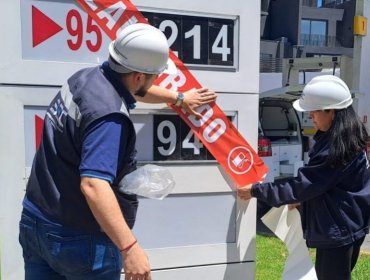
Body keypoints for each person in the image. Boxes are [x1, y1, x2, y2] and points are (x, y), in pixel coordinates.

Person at [19, 23, 216, 280]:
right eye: (154, 74)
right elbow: (93, 185)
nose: (155, 79)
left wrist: (178, 98)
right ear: (137, 75)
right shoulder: (109, 118)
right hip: (78, 239)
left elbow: (136, 88)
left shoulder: (85, 78)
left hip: (36, 221)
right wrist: (130, 248)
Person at [238, 75, 370, 280]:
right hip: (351, 225)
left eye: (314, 110)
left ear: (331, 111)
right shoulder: (350, 137)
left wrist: (256, 190)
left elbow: (302, 185)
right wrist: (302, 197)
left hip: (339, 231)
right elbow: (325, 184)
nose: (310, 116)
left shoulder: (335, 149)